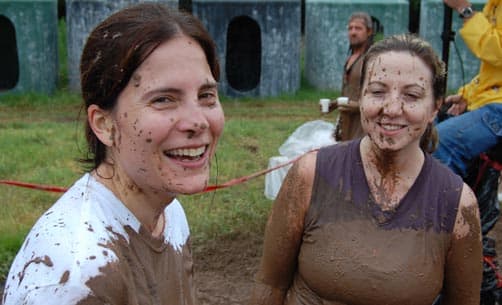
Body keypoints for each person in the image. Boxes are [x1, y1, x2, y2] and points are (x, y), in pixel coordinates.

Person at [2, 3, 224, 305]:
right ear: (104, 125)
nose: (198, 121)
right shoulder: (76, 277)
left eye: (206, 95)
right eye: (163, 99)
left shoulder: (167, 212)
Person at [250, 34, 482, 305]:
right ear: (361, 97)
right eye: (378, 91)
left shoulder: (457, 205)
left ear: (434, 108)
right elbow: (269, 284)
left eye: (412, 95)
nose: (392, 108)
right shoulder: (310, 175)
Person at [433, 0, 502, 177]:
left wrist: (465, 10)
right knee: (425, 123)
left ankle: (442, 203)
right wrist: (467, 95)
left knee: (441, 141)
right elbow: (493, 72)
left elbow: (497, 52)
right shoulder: (494, 5)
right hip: (494, 103)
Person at [323, 12, 374, 142]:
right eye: (350, 28)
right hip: (347, 123)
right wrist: (334, 104)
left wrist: (356, 106)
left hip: (363, 126)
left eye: (358, 28)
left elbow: (379, 98)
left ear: (369, 32)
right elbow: (350, 92)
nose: (353, 32)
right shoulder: (350, 58)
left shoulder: (373, 59)